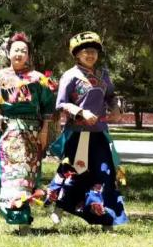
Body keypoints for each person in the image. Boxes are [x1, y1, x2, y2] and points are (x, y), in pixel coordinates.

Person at [45, 32, 128, 228]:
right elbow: (61, 103)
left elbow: (111, 96)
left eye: (94, 51)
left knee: (105, 174)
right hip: (78, 135)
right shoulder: (70, 75)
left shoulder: (103, 75)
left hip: (100, 134)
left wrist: (116, 109)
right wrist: (81, 112)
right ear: (76, 54)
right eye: (85, 51)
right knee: (74, 172)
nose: (90, 55)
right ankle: (59, 207)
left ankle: (107, 219)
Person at [0, 33, 57, 231]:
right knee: (11, 176)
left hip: (32, 133)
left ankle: (24, 221)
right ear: (8, 53)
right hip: (9, 132)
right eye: (16, 50)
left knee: (27, 176)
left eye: (24, 51)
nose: (19, 54)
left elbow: (48, 106)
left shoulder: (39, 79)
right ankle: (15, 215)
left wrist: (45, 130)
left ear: (28, 55)